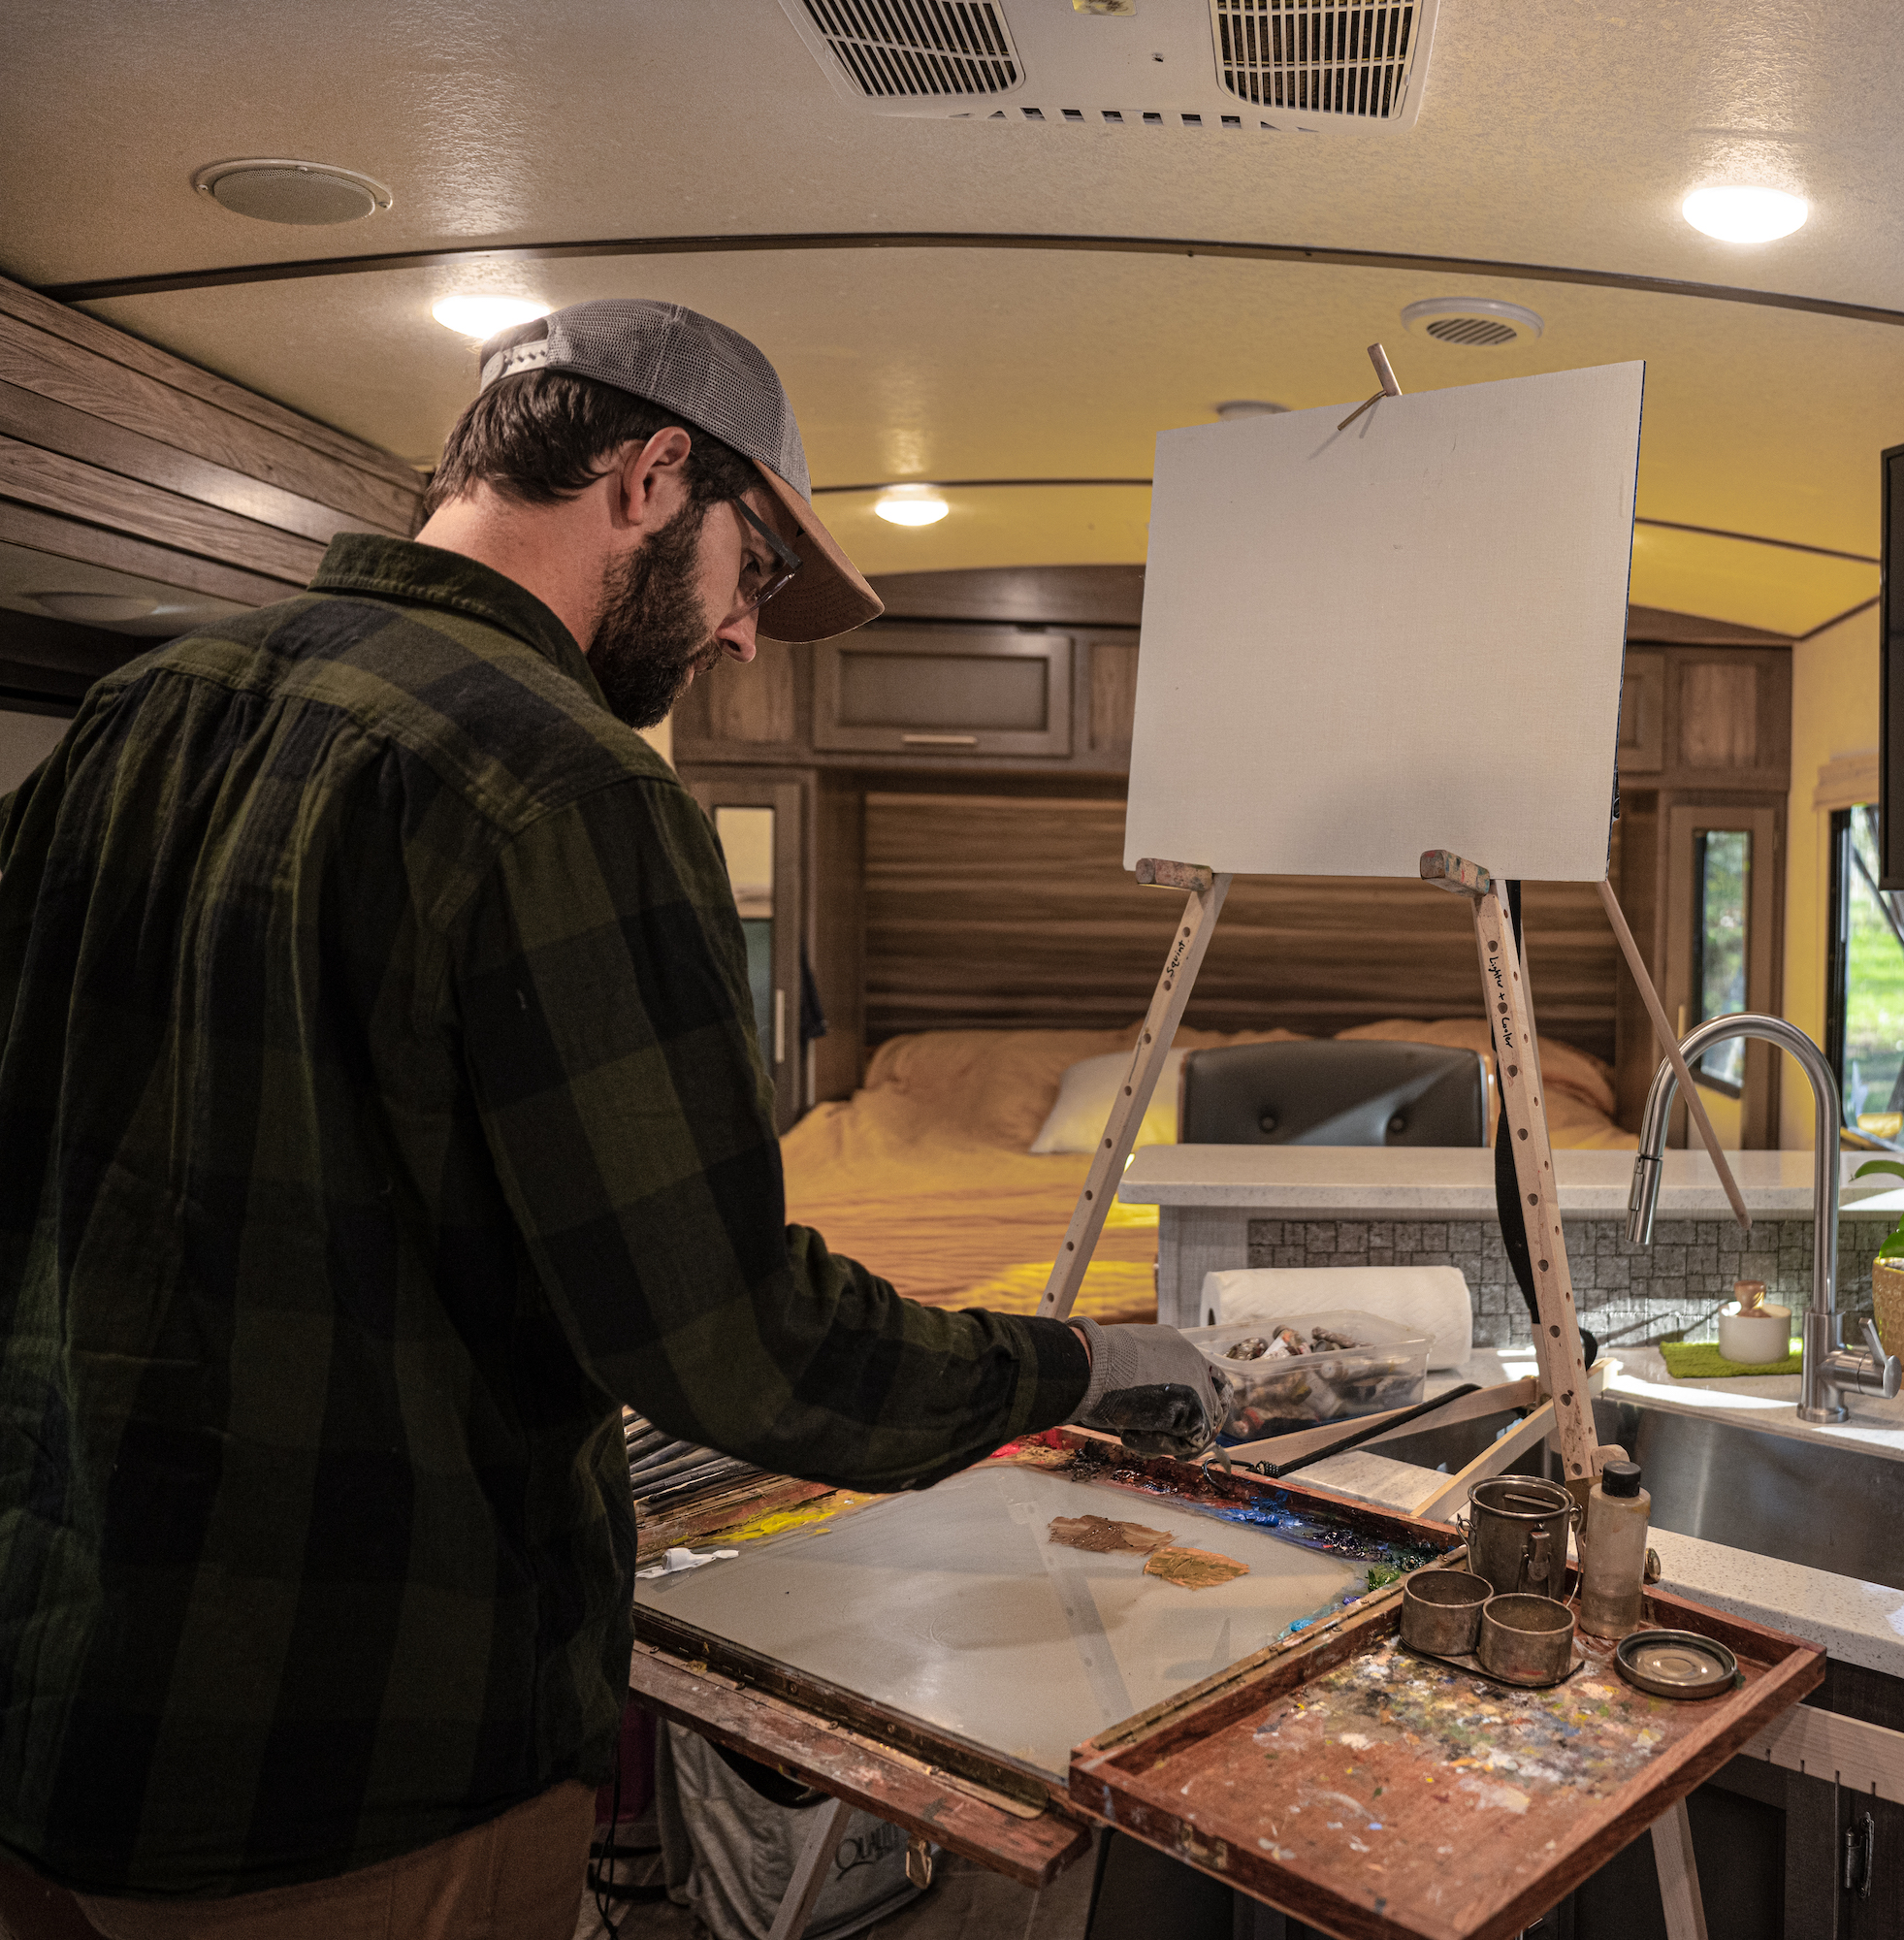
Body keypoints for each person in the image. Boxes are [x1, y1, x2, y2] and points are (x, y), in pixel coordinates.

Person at [0, 301, 1218, 1937]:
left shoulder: (136, 711)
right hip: (344, 1754)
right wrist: (1078, 1365)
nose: (738, 638)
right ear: (653, 477)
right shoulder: (568, 785)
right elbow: (732, 1342)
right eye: (758, 570)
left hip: (43, 1687)